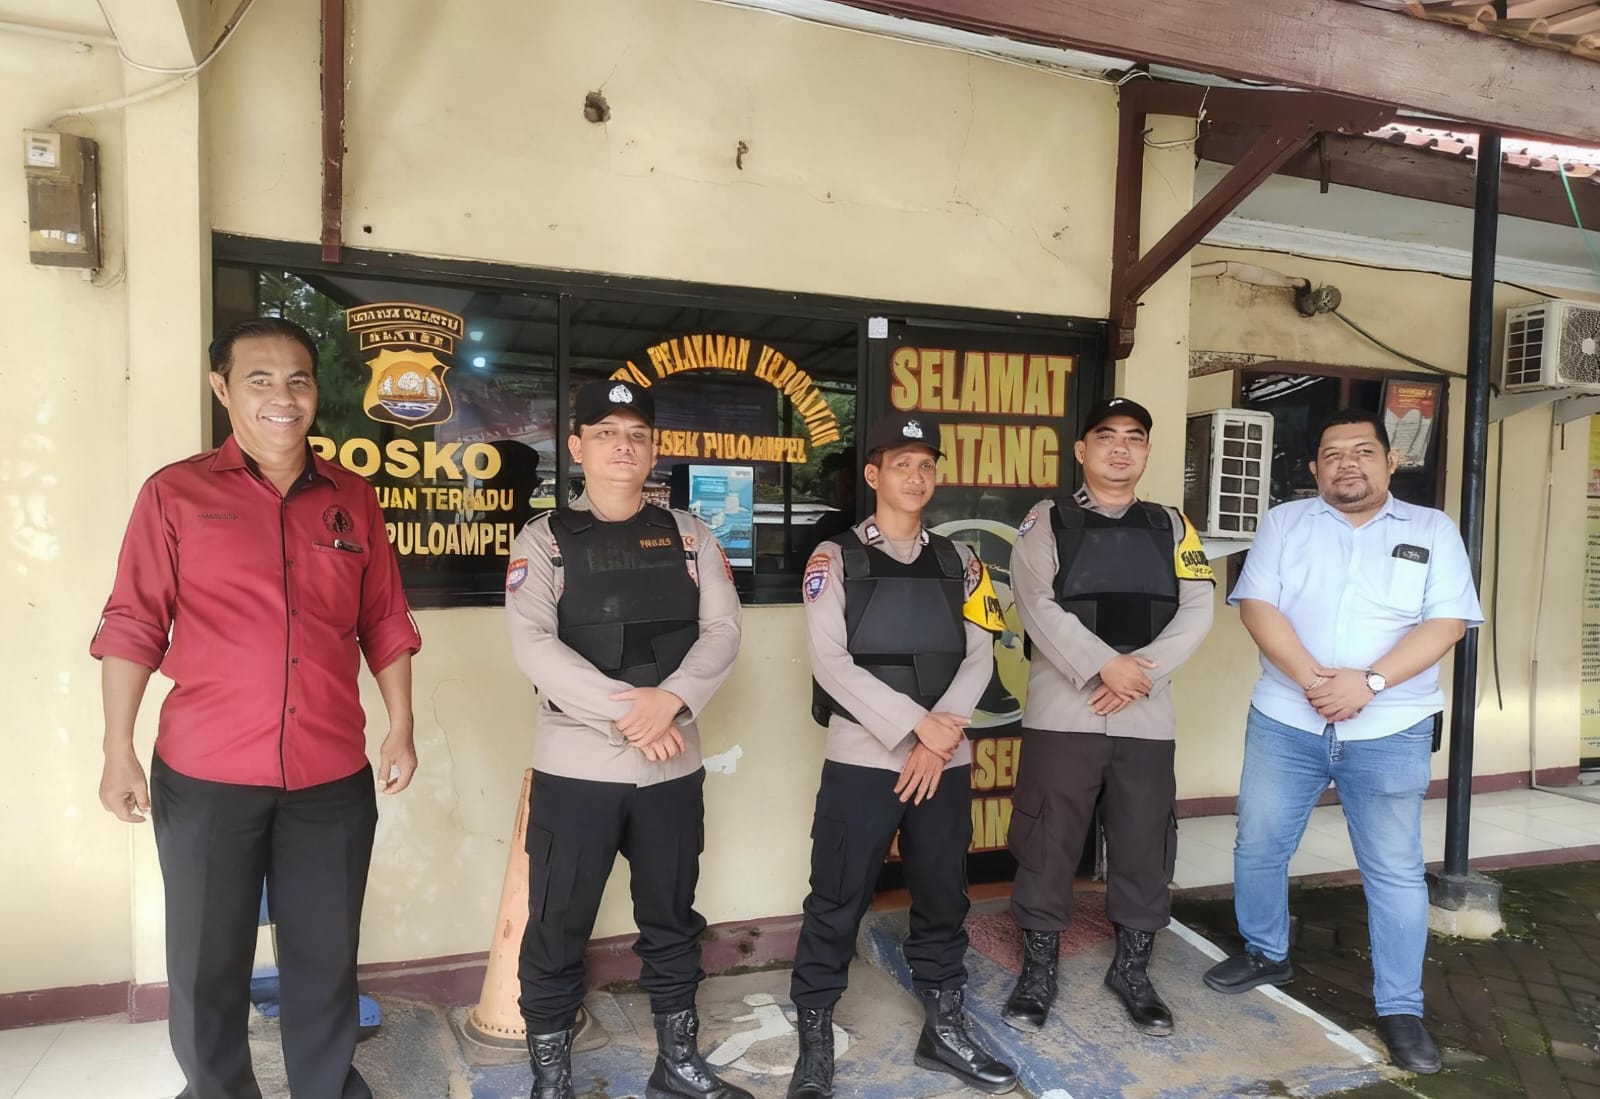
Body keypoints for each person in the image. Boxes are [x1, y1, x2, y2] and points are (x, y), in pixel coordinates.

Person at [91, 316, 422, 1099]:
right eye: (260, 379)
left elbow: (383, 619)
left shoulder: (352, 498)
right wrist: (117, 746)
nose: (283, 396)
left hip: (330, 774)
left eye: (298, 380)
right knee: (207, 959)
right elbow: (134, 621)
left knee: (325, 955)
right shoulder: (175, 493)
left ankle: (324, 1088)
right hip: (206, 772)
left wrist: (401, 725)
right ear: (222, 388)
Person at [1203, 408, 1481, 1076]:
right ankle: (1266, 951)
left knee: (1393, 867)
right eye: (1332, 454)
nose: (1346, 464)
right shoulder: (1284, 523)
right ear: (1314, 468)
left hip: (1391, 725)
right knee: (1259, 842)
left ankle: (1400, 1007)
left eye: (1362, 451)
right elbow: (1258, 606)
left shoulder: (1432, 529)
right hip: (1287, 717)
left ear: (1390, 461)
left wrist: (1370, 682)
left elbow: (1448, 622)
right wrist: (1313, 681)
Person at [505, 378, 746, 1099]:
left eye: (637, 434)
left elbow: (723, 630)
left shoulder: (691, 535)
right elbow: (533, 644)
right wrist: (632, 713)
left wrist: (670, 700)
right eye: (606, 432)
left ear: (653, 450)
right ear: (576, 447)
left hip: (670, 767)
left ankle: (677, 1065)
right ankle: (552, 1081)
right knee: (557, 923)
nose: (622, 445)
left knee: (672, 917)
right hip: (579, 769)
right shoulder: (544, 539)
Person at [788, 412, 1018, 1099]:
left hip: (944, 759)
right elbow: (831, 664)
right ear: (872, 473)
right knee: (837, 896)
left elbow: (981, 655)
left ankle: (943, 1029)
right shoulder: (834, 558)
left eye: (926, 465)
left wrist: (939, 736)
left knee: (944, 895)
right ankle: (815, 1037)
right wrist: (920, 727)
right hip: (864, 758)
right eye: (900, 464)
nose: (915, 477)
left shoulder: (962, 561)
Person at [1003, 397, 1215, 1037]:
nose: (1120, 448)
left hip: (1146, 712)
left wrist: (1138, 672)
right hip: (1064, 709)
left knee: (1145, 841)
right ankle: (1038, 971)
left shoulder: (1173, 525)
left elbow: (1198, 607)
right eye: (1106, 436)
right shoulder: (1048, 519)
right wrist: (1103, 666)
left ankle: (1132, 970)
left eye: (1134, 438)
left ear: (1146, 451)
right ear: (1082, 450)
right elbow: (1033, 601)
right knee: (1047, 841)